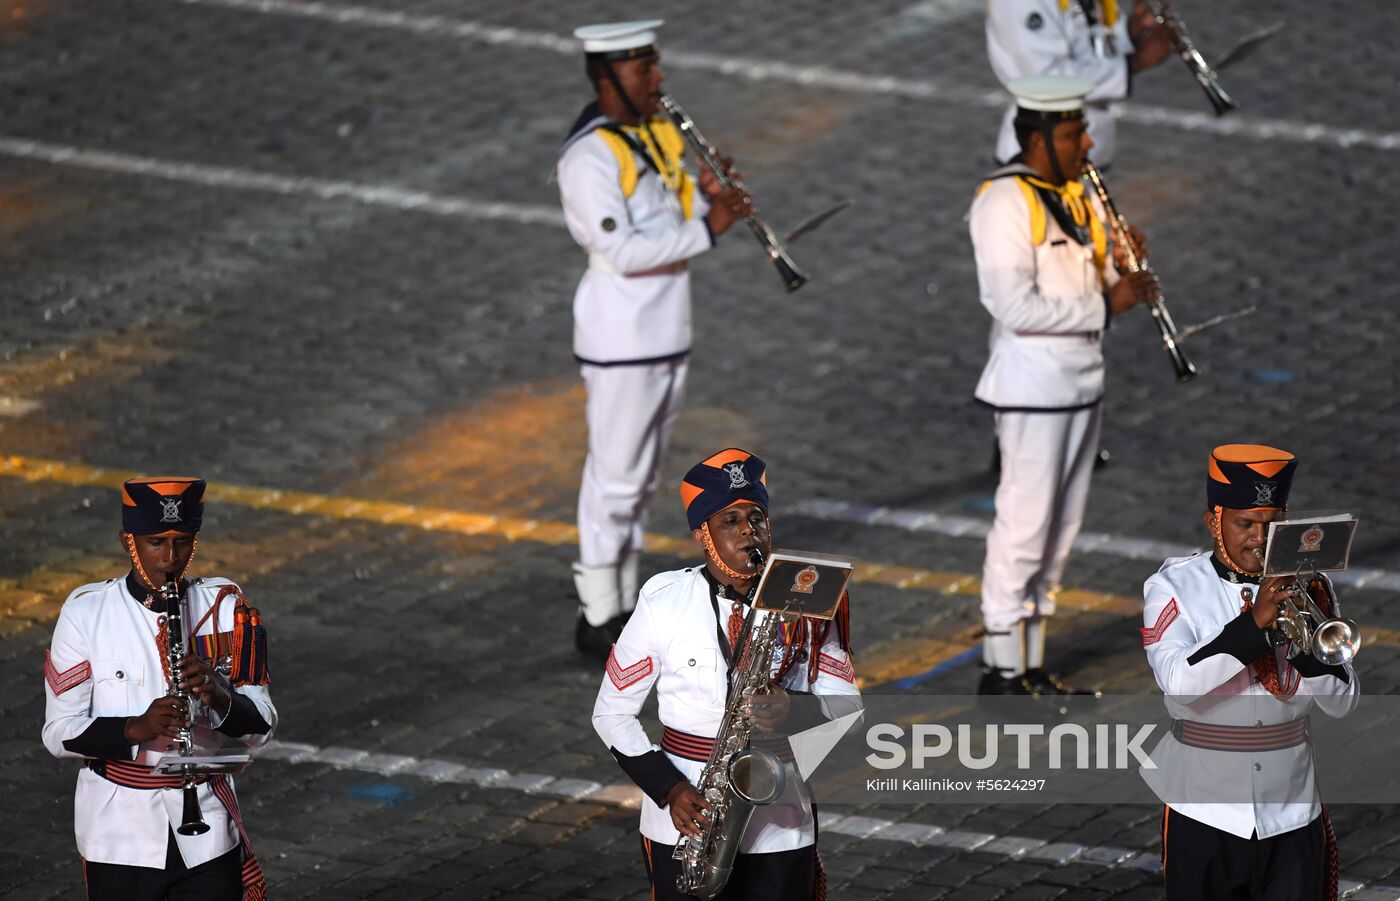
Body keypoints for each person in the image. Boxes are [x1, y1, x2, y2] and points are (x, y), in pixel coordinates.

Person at [557, 20, 751, 660]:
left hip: (667, 327)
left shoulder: (659, 132)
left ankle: (619, 601)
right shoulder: (589, 157)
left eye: (654, 65)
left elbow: (679, 213)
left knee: (639, 481)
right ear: (607, 76)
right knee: (613, 479)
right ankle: (598, 613)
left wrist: (710, 199)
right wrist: (711, 229)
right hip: (622, 335)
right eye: (644, 70)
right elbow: (617, 248)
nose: (658, 78)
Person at [592, 449, 859, 900]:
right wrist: (670, 790)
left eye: (756, 518)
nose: (747, 531)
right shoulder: (664, 602)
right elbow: (611, 714)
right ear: (704, 535)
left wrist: (794, 713)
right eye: (729, 521)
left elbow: (848, 710)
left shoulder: (812, 601)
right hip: (685, 819)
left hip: (781, 819)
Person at [969, 74, 1159, 697]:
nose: (1088, 142)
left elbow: (1099, 268)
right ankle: (1002, 666)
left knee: (1060, 528)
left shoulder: (1080, 193)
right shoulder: (1002, 203)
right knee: (1024, 524)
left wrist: (1124, 263)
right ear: (1041, 135)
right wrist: (1107, 306)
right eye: (1076, 132)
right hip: (1033, 384)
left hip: (1083, 380)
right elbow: (1010, 305)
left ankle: (1032, 662)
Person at [42, 477, 276, 901]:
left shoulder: (224, 606)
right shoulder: (87, 614)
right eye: (156, 542)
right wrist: (135, 728)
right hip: (118, 836)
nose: (171, 558)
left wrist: (217, 695)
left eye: (183, 542)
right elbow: (58, 734)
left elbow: (261, 728)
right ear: (127, 540)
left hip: (208, 833)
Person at [1141, 445, 1357, 900]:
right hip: (1203, 812)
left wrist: (1302, 641)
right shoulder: (1174, 588)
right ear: (1215, 521)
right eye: (1245, 524)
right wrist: (1253, 626)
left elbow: (1343, 703)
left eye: (1270, 523)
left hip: (1293, 811)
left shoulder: (1310, 585)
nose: (1259, 539)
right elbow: (1179, 687)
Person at [987, 0, 1173, 168]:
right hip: (1046, 155)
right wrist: (1135, 62)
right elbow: (1046, 78)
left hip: (1090, 147)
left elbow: (1091, 43)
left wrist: (1132, 30)